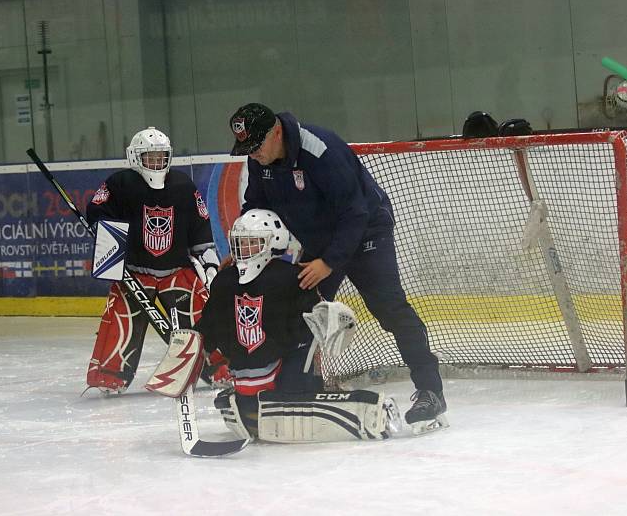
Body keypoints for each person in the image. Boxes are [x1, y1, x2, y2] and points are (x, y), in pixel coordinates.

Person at [227, 103, 448, 432]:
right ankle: (302, 385)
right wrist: (245, 243)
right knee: (297, 309)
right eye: (248, 149)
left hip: (366, 232)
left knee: (389, 308)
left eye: (256, 146)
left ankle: (430, 391)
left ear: (276, 132)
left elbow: (356, 212)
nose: (253, 155)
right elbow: (257, 205)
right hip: (317, 240)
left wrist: (328, 262)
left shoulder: (322, 150)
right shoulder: (261, 158)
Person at [179, 208, 398, 441]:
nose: (242, 250)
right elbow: (211, 323)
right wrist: (194, 345)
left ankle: (303, 390)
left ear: (273, 243)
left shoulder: (291, 277)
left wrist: (327, 319)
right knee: (250, 401)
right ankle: (261, 401)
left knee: (296, 372)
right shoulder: (225, 280)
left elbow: (310, 325)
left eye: (251, 243)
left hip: (285, 368)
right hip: (246, 372)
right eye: (239, 243)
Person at [84, 126, 226, 393]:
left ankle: (218, 365)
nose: (156, 162)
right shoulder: (120, 183)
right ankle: (110, 372)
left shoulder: (183, 185)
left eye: (161, 156)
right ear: (135, 157)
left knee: (202, 312)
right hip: (135, 272)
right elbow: (98, 210)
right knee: (121, 315)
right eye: (150, 157)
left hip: (177, 270)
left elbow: (200, 225)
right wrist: (99, 226)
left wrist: (208, 261)